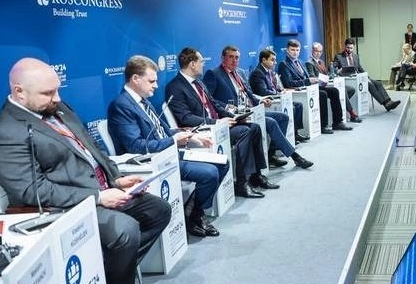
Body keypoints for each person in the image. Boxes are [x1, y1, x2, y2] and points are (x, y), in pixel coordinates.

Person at [0, 58, 171, 284]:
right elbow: (32, 191)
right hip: (68, 207)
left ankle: (107, 278)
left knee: (159, 210)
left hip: (104, 190)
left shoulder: (58, 108)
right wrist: (98, 196)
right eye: (48, 93)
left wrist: (116, 178)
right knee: (125, 230)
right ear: (19, 92)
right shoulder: (4, 133)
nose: (57, 98)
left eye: (57, 90)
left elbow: (92, 148)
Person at [108, 55, 226, 238]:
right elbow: (136, 146)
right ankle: (194, 216)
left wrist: (190, 136)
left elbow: (163, 131)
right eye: (152, 81)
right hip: (153, 162)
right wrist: (174, 141)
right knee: (209, 173)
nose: (156, 85)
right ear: (135, 79)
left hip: (169, 153)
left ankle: (193, 213)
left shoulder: (143, 101)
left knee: (223, 162)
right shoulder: (121, 105)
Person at [166, 47, 276, 199]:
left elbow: (215, 105)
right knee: (245, 132)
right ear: (192, 64)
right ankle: (242, 184)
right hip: (203, 130)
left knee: (255, 128)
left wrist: (234, 116)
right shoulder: (175, 87)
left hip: (217, 125)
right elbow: (186, 118)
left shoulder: (198, 83)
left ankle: (256, 175)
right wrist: (217, 122)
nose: (203, 64)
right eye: (201, 61)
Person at [203, 45, 314, 169]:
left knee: (283, 117)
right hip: (234, 116)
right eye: (231, 57)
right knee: (271, 122)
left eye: (237, 57)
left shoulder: (240, 72)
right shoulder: (214, 74)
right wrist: (228, 108)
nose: (234, 60)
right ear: (223, 58)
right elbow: (210, 100)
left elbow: (249, 94)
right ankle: (295, 157)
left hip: (250, 111)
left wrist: (260, 100)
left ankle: (271, 155)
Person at [278, 39, 352, 134]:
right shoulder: (284, 64)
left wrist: (314, 81)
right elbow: (289, 83)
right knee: (322, 94)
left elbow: (307, 77)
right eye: (292, 50)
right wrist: (308, 81)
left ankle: (338, 122)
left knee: (334, 91)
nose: (295, 52)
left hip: (308, 87)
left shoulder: (299, 61)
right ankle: (323, 125)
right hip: (298, 90)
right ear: (287, 50)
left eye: (297, 50)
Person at [248, 48, 310, 142]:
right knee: (292, 107)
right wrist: (277, 93)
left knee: (299, 105)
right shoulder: (258, 73)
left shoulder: (270, 71)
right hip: (265, 101)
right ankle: (283, 138)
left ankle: (295, 133)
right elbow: (262, 91)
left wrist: (281, 90)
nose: (275, 63)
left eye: (275, 60)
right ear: (264, 60)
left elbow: (275, 87)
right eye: (272, 60)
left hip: (275, 98)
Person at [333, 37, 401, 111]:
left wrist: (366, 76)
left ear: (354, 47)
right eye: (348, 48)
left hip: (358, 77)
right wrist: (339, 70)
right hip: (348, 79)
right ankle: (386, 104)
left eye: (351, 48)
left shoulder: (355, 56)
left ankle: (388, 101)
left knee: (378, 83)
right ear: (345, 46)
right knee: (369, 84)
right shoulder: (339, 56)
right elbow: (334, 70)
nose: (349, 50)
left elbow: (360, 68)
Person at [305, 41, 361, 122]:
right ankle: (352, 113)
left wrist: (335, 73)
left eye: (320, 51)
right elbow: (312, 77)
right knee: (342, 90)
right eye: (316, 51)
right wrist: (325, 78)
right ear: (312, 51)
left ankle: (341, 105)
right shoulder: (309, 63)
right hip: (320, 86)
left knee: (351, 89)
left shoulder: (321, 61)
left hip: (328, 83)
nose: (318, 53)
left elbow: (327, 74)